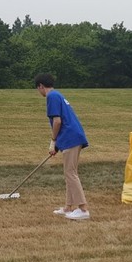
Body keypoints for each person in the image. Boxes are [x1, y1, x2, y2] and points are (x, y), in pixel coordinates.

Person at [34, 73, 90, 220]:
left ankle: (83, 209)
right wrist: (58, 145)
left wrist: (53, 141)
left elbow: (57, 121)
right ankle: (68, 207)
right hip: (71, 137)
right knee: (69, 173)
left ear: (40, 86)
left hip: (71, 138)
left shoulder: (51, 97)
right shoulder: (57, 95)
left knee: (70, 173)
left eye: (37, 89)